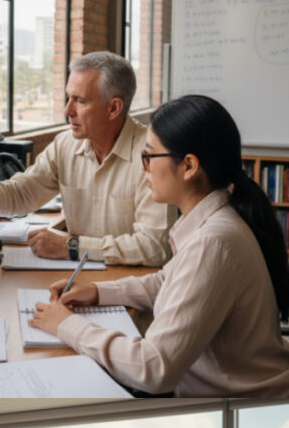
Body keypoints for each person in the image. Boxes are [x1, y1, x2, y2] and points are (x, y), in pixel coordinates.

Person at [29, 94, 289, 396]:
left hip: (238, 404)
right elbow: (168, 282)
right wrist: (98, 292)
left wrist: (67, 325)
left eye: (149, 156)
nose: (144, 168)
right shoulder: (215, 220)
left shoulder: (213, 242)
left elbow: (153, 370)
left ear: (189, 166)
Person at [0, 52, 170, 266]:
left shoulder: (154, 154)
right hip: (80, 278)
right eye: (68, 98)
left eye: (80, 101)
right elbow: (19, 195)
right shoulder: (65, 145)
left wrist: (73, 246)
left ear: (113, 108)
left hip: (130, 284)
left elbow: (155, 247)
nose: (67, 110)